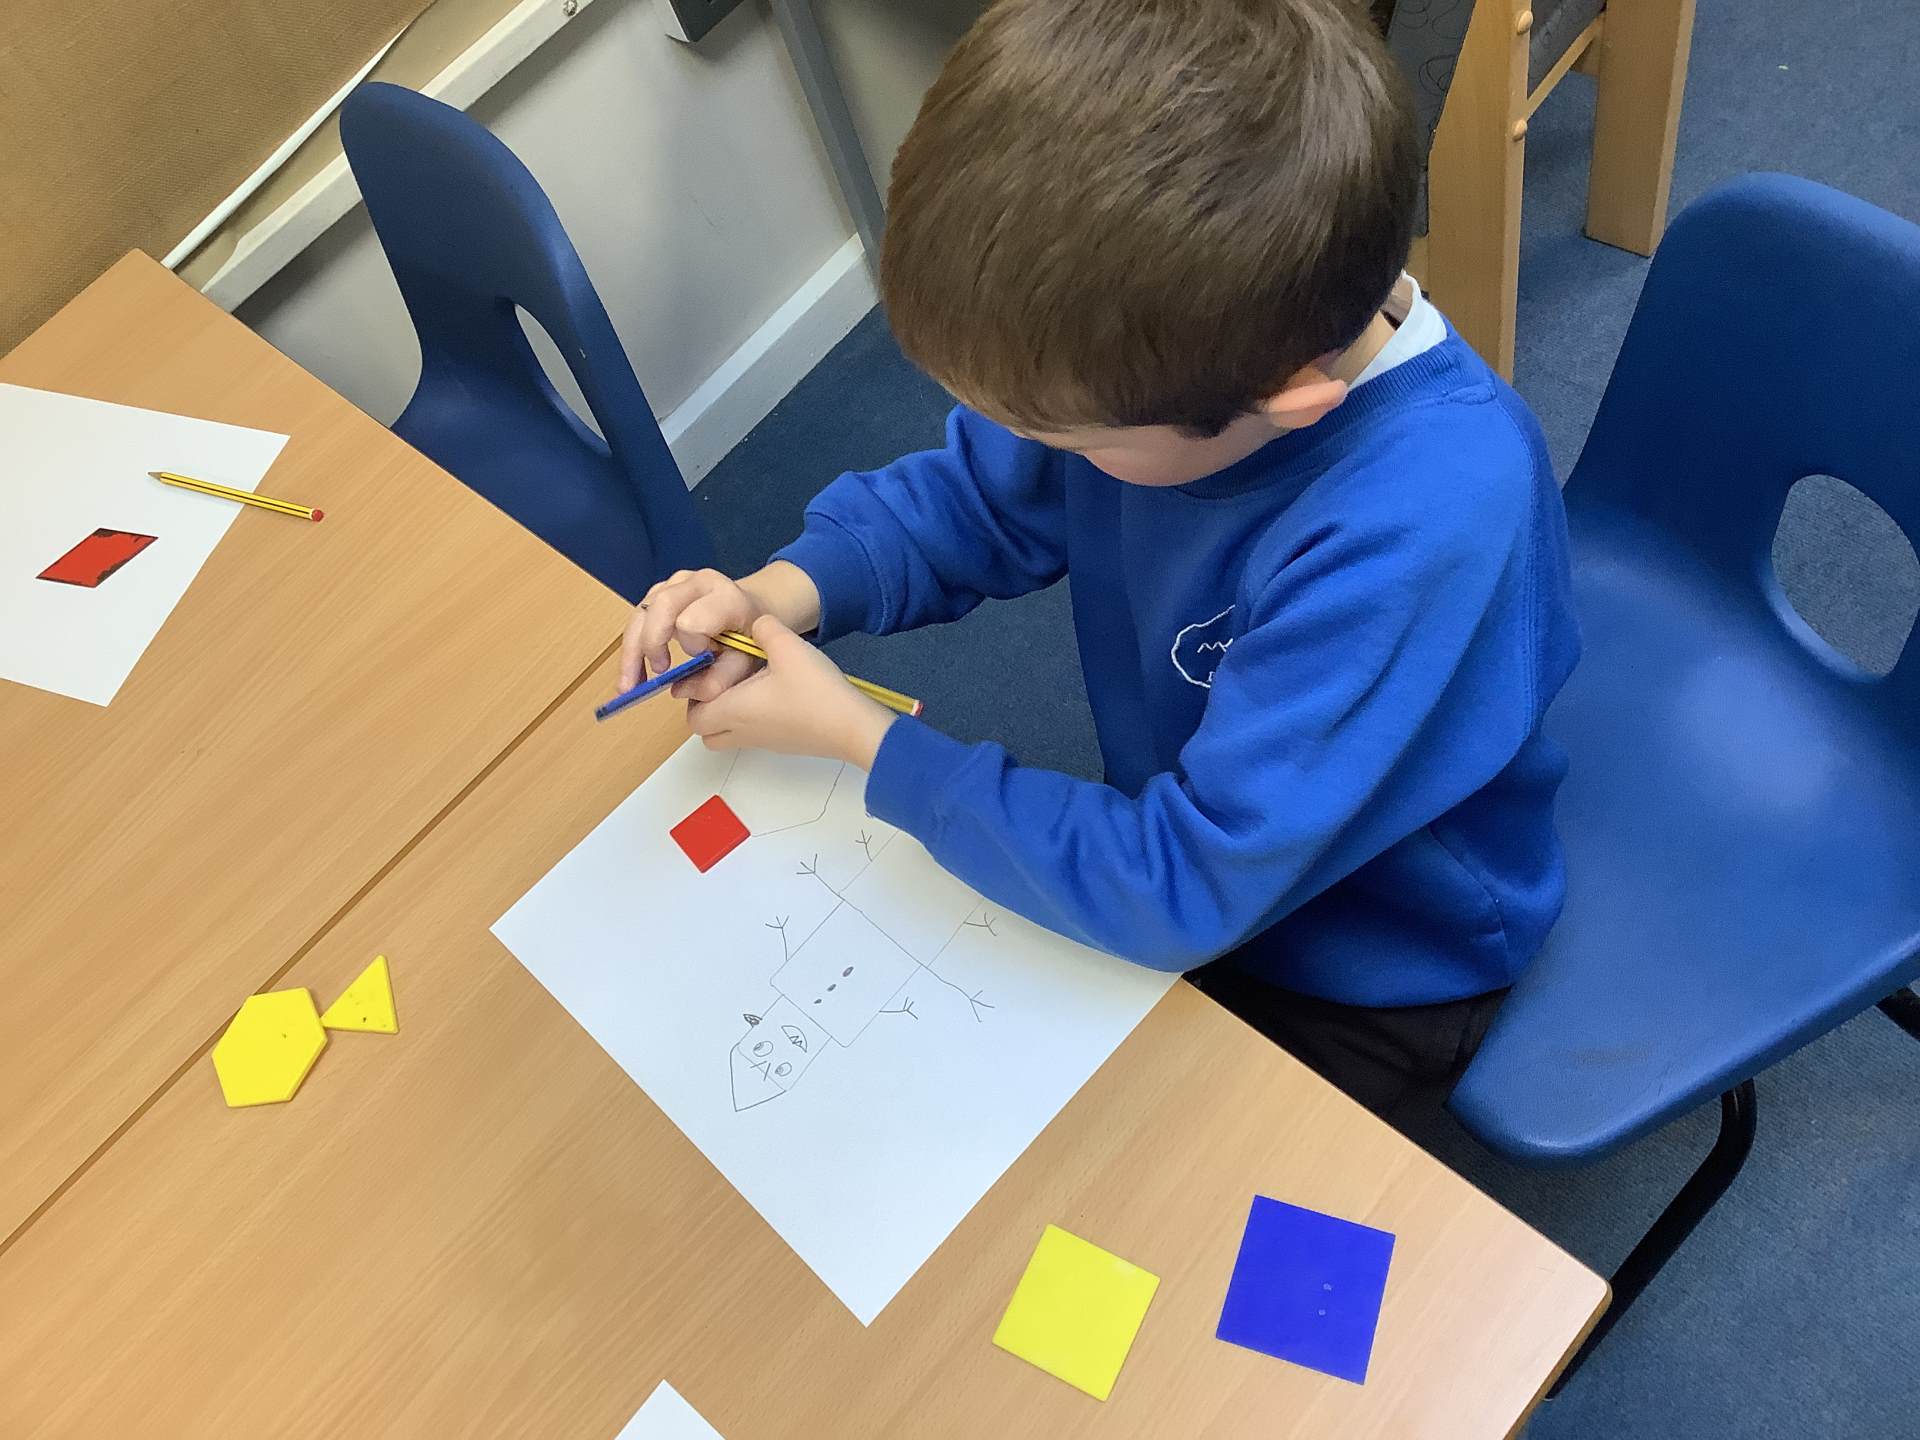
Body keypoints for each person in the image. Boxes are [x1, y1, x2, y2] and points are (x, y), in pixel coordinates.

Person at [618, 0, 1579, 1116]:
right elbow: (980, 495)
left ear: (1286, 402)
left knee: (1125, 1171)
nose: (1035, 450)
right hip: (1196, 853)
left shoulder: (1419, 523)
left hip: (1374, 956)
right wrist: (780, 594)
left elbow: (1188, 887)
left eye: (1071, 440)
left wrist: (863, 742)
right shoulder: (1171, 369)